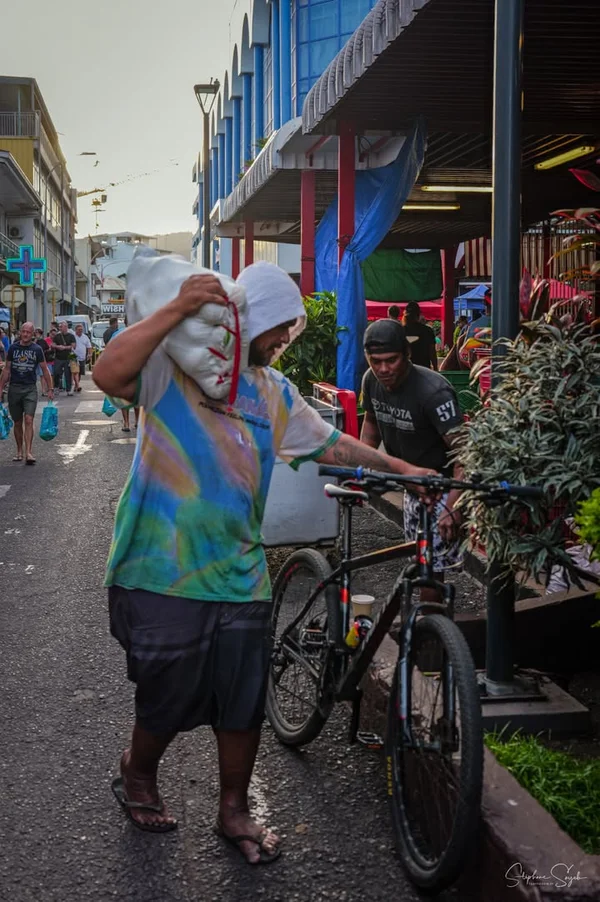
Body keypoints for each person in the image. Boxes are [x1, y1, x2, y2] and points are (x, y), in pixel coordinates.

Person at [93, 263, 436, 855]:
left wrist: (405, 471)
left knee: (243, 694)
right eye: (278, 328)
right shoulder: (171, 373)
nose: (285, 341)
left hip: (240, 571)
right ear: (246, 320)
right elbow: (106, 373)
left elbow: (334, 445)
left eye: (290, 331)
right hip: (161, 567)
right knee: (167, 693)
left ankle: (234, 811)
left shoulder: (273, 392)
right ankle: (138, 772)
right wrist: (174, 311)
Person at [360, 318, 464, 601]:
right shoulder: (371, 381)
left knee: (430, 575)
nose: (383, 369)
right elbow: (370, 425)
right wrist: (362, 470)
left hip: (442, 487)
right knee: (418, 567)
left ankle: (434, 635)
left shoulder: (434, 392)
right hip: (410, 485)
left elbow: (464, 455)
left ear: (407, 354)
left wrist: (453, 506)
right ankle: (423, 632)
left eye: (391, 360)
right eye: (375, 360)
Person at [0, 321, 53, 464]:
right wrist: (0, 388)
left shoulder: (37, 349)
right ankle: (19, 451)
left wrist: (50, 388)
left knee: (29, 420)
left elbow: (44, 369)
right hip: (14, 388)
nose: (25, 334)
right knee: (17, 422)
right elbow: (6, 370)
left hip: (30, 388)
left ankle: (29, 452)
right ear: (20, 332)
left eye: (28, 332)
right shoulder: (12, 348)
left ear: (33, 333)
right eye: (23, 331)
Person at [402, 301, 438, 370]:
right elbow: (432, 352)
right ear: (418, 315)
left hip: (406, 369)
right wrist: (435, 368)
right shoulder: (427, 330)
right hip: (424, 368)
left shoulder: (401, 331)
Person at [52, 321, 77, 395]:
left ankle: (68, 389)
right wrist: (57, 347)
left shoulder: (71, 336)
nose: (60, 328)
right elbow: (52, 344)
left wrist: (64, 347)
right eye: (59, 327)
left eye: (61, 327)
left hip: (68, 357)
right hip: (58, 357)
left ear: (65, 327)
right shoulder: (57, 336)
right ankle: (56, 387)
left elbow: (74, 346)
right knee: (56, 372)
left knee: (68, 373)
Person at [73, 323, 92, 393]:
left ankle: (76, 385)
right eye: (79, 330)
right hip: (73, 356)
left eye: (81, 330)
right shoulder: (73, 336)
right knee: (76, 371)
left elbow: (89, 346)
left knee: (80, 372)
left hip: (82, 357)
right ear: (75, 330)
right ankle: (78, 386)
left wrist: (90, 354)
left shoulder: (85, 337)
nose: (80, 331)